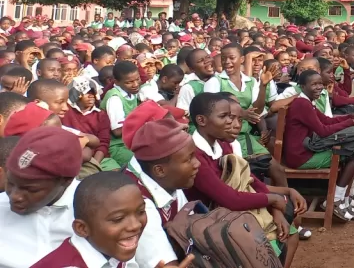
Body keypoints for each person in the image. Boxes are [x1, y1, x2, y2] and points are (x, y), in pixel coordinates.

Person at [186, 92, 303, 264]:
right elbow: (229, 198)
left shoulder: (222, 145)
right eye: (224, 116)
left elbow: (250, 179)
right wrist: (273, 200)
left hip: (230, 212)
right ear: (202, 121)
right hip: (208, 219)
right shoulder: (195, 155)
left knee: (290, 232)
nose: (230, 122)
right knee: (270, 241)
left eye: (233, 117)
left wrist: (276, 206)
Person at [282, 70, 354, 221]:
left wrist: (352, 116)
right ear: (302, 86)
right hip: (301, 157)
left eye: (320, 84)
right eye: (314, 84)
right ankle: (336, 201)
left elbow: (326, 121)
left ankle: (342, 200)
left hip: (306, 150)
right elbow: (323, 131)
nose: (319, 87)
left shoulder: (308, 102)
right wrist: (350, 122)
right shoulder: (302, 104)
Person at [0, 127, 83, 268]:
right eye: (11, 183)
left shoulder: (97, 212)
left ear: (65, 181)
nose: (14, 196)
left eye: (31, 189)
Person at [28, 172, 149, 268]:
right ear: (82, 228)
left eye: (141, 212)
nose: (135, 225)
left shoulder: (112, 248)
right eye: (118, 219)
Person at [125, 118, 200, 267]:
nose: (197, 163)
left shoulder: (168, 181)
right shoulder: (139, 205)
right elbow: (167, 265)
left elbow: (191, 223)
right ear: (160, 170)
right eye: (189, 159)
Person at [202, 43, 276, 158]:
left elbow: (257, 110)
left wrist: (263, 86)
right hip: (223, 136)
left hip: (244, 135)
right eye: (223, 59)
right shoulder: (215, 82)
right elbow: (211, 110)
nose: (226, 61)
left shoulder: (250, 81)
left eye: (231, 58)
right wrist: (242, 113)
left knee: (274, 167)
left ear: (241, 59)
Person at [62, 78, 120, 175]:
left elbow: (103, 143)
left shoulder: (101, 115)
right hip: (73, 156)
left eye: (93, 93)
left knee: (116, 173)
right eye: (86, 93)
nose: (91, 96)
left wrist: (95, 165)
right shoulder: (66, 112)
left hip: (99, 158)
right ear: (76, 95)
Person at [101, 60, 143, 166]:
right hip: (117, 146)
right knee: (142, 161)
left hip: (131, 141)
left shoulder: (131, 93)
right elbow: (118, 131)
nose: (135, 84)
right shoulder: (115, 98)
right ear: (116, 82)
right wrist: (143, 120)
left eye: (137, 79)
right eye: (129, 82)